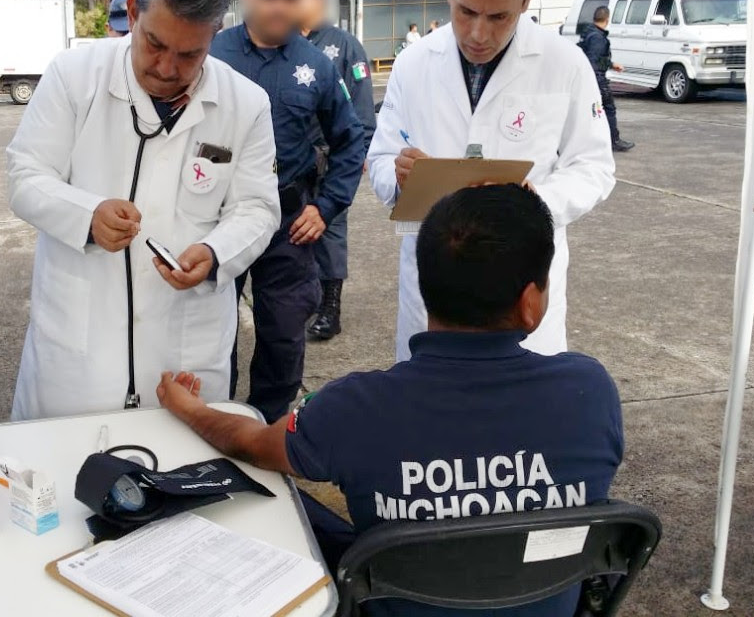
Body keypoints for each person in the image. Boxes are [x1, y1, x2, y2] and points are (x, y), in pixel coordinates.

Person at [157, 183, 624, 617]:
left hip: (394, 599)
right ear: (530, 302)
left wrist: (189, 408)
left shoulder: (355, 408)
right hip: (544, 602)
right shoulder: (589, 393)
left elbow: (251, 444)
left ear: (425, 286)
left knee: (278, 496)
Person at [7, 0, 281, 419]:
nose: (168, 68)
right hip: (79, 352)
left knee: (186, 476)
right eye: (154, 44)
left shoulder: (246, 104)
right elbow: (26, 176)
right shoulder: (74, 78)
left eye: (190, 53)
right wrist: (86, 215)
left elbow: (258, 208)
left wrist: (216, 252)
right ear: (133, 13)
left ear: (214, 35)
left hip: (184, 347)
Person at [368, 0, 615, 361]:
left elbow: (594, 166)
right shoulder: (415, 63)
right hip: (436, 281)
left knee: (521, 418)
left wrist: (538, 197)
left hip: (519, 279)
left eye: (498, 16)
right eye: (466, 12)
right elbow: (383, 156)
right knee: (432, 412)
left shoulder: (564, 63)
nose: (478, 34)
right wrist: (398, 174)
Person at [210, 0, 365, 422]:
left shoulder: (315, 65)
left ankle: (269, 428)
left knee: (282, 331)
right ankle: (213, 419)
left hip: (287, 222)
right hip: (218, 215)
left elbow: (351, 139)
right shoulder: (213, 53)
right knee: (212, 330)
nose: (279, 5)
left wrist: (326, 207)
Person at [300, 0, 375, 340]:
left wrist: (361, 150)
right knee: (295, 229)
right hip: (294, 159)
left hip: (332, 156)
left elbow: (361, 103)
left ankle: (331, 307)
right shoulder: (283, 42)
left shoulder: (343, 44)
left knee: (330, 230)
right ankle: (308, 299)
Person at [580, 6, 634, 152]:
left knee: (589, 111)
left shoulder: (589, 33)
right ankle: (613, 140)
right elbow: (594, 61)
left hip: (587, 78)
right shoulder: (598, 37)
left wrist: (611, 64)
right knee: (609, 108)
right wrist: (599, 82)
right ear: (607, 19)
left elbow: (593, 58)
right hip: (596, 79)